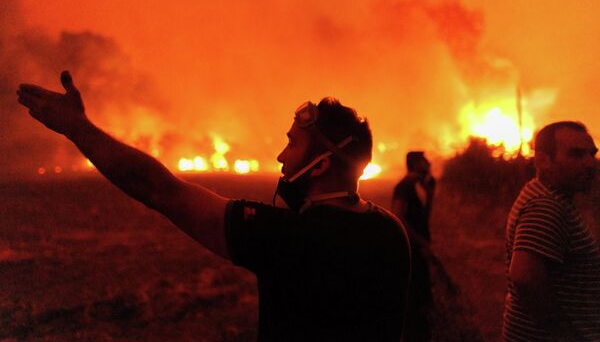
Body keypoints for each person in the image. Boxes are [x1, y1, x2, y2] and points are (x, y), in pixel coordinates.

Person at [17, 71, 411, 342]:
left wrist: (78, 128)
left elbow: (160, 190)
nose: (280, 157)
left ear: (321, 164)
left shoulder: (288, 237)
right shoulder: (391, 231)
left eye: (292, 144)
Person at [503, 121, 600, 342]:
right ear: (543, 161)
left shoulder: (546, 195)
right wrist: (563, 333)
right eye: (576, 155)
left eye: (591, 154)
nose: (589, 163)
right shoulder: (546, 206)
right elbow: (525, 276)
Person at [391, 151, 436, 342]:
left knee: (423, 300)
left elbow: (424, 217)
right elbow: (398, 217)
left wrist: (432, 191)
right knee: (414, 303)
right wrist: (421, 242)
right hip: (411, 251)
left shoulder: (420, 185)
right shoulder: (405, 186)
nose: (429, 163)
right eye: (424, 160)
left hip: (419, 249)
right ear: (416, 163)